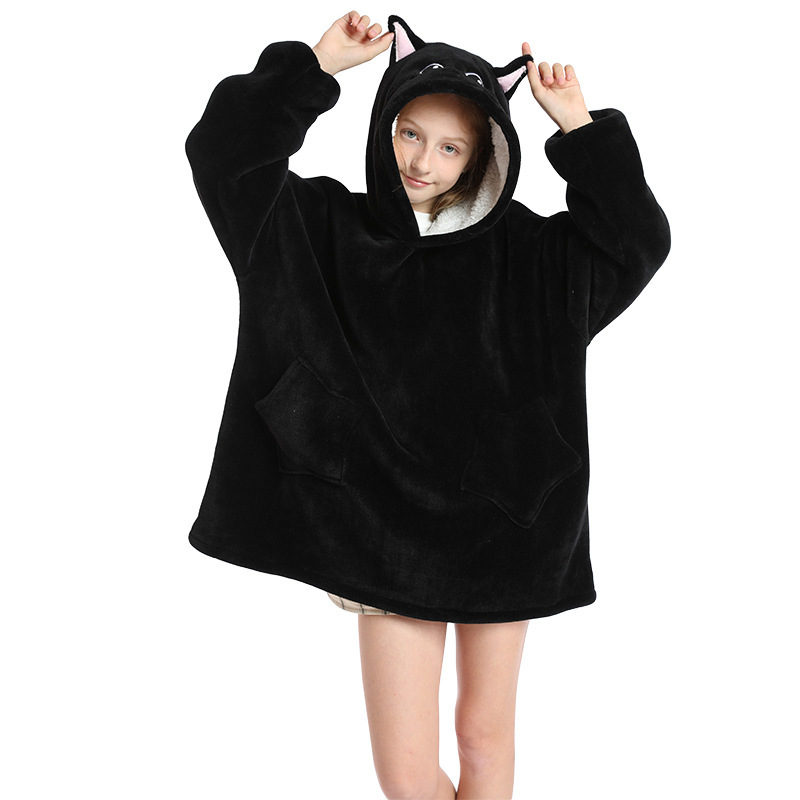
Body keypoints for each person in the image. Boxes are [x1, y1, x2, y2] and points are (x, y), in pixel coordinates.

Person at [184, 10, 670, 799]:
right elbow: (224, 154)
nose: (421, 160)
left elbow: (637, 242)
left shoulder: (537, 257)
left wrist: (579, 129)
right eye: (411, 133)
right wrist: (316, 66)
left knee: (483, 734)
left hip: (505, 521)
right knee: (407, 772)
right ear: (387, 123)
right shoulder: (320, 227)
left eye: (450, 147)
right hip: (382, 528)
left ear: (486, 154)